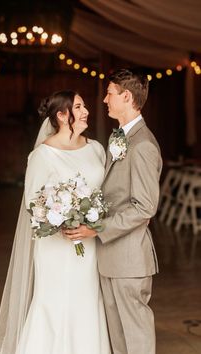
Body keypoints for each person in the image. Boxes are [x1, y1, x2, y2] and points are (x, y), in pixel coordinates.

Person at [0, 90, 111, 354]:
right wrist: (63, 219)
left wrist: (92, 219)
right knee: (54, 301)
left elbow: (103, 194)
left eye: (84, 106)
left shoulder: (96, 149)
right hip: (56, 247)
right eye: (78, 107)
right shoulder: (42, 156)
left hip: (88, 242)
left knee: (87, 299)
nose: (86, 111)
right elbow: (32, 204)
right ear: (61, 115)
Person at [65, 69, 163, 354]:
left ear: (127, 96)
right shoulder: (121, 137)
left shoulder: (143, 145)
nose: (105, 99)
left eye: (109, 93)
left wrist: (95, 228)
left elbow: (144, 207)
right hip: (112, 258)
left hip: (130, 260)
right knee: (119, 339)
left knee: (135, 337)